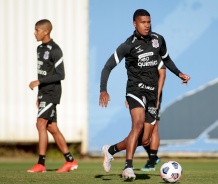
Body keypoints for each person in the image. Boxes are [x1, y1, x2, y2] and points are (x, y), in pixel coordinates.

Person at [99, 9, 190, 180]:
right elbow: (107, 66)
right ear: (135, 23)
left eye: (149, 22)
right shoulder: (128, 44)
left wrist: (179, 73)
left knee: (146, 140)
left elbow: (167, 59)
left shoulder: (158, 40)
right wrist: (103, 89)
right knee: (138, 124)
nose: (147, 25)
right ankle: (128, 168)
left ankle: (111, 150)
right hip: (135, 90)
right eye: (143, 22)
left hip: (152, 93)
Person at [27, 19, 78, 173]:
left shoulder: (55, 50)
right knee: (51, 127)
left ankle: (41, 164)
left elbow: (61, 75)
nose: (35, 33)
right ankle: (70, 161)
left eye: (37, 30)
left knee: (40, 124)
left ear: (46, 31)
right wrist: (39, 94)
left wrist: (39, 82)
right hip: (44, 93)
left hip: (52, 93)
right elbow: (44, 71)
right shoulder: (39, 49)